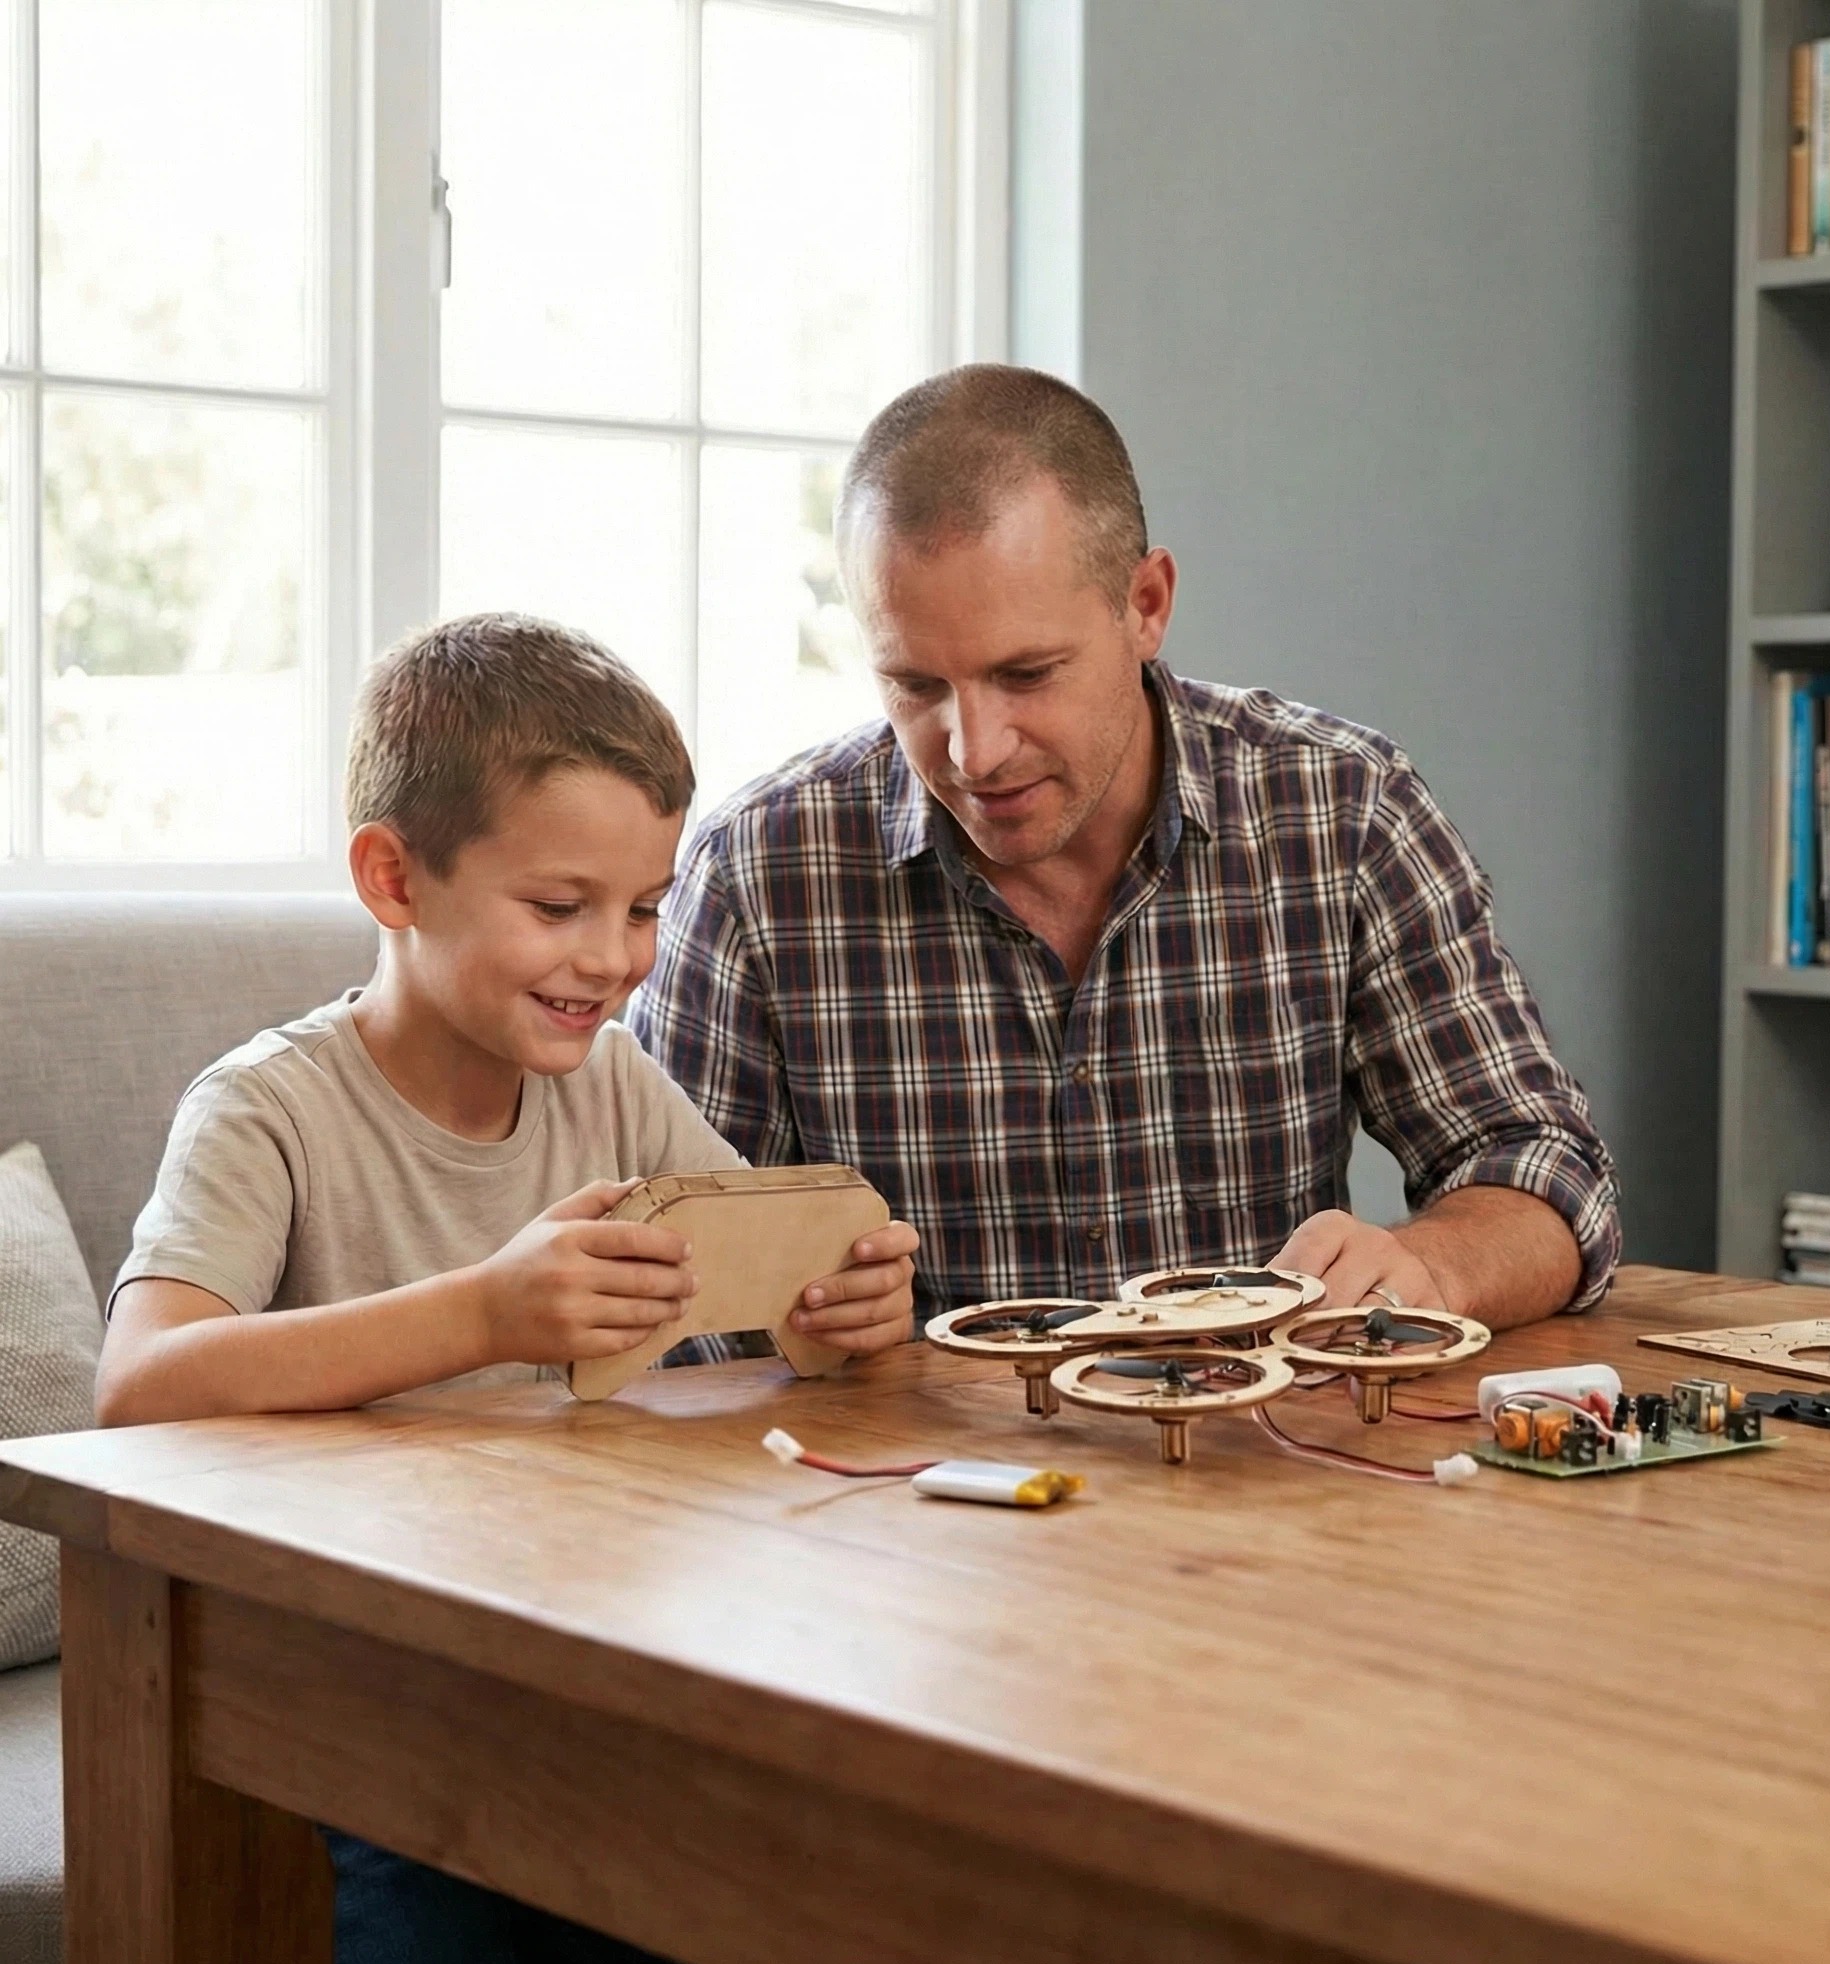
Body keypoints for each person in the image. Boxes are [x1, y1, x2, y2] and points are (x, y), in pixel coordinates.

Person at [98, 613, 916, 1964]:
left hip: (566, 1687)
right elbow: (138, 1387)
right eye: (558, 905)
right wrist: (482, 1311)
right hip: (349, 1702)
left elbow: (771, 1263)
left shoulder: (615, 1086)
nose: (612, 958)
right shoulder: (267, 1110)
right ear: (392, 877)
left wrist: (841, 1304)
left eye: (645, 907)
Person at [634, 365, 1620, 1330]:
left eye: (1026, 674)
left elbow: (1544, 1169)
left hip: (1263, 1434)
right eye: (915, 686)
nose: (974, 750)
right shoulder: (756, 876)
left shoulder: (1340, 812)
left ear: (1146, 604)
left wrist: (1428, 1266)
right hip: (892, 1444)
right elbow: (657, 1296)